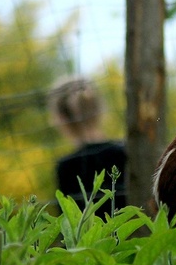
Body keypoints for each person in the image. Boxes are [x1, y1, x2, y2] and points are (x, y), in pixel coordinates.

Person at [47, 76, 127, 210]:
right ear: (98, 109)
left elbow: (67, 223)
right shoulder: (125, 150)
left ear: (61, 118)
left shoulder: (66, 167)